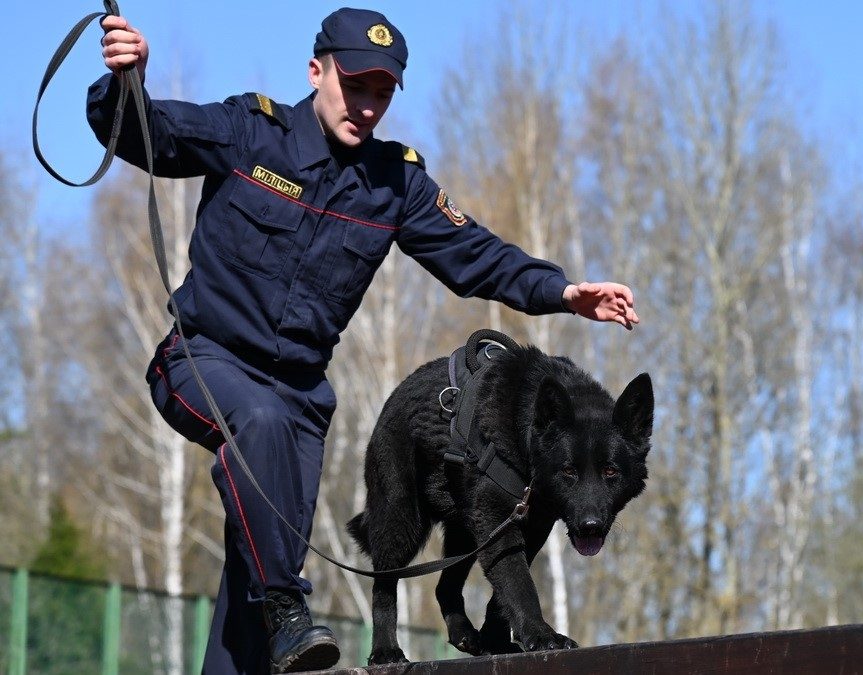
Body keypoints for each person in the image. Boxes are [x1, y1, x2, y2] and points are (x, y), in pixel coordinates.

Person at [90, 7, 639, 674]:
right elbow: (149, 134)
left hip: (299, 403)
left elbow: (475, 255)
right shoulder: (250, 131)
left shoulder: (395, 182)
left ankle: (269, 619)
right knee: (275, 560)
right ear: (316, 70)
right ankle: (291, 605)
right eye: (355, 87)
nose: (368, 108)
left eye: (382, 94)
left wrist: (561, 292)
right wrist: (125, 83)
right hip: (202, 364)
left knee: (257, 561)